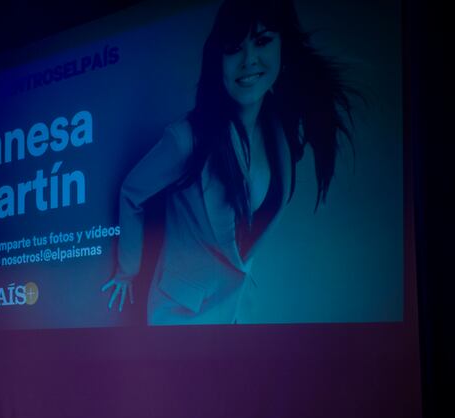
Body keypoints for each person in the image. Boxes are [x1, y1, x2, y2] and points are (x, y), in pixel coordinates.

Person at [102, 0, 355, 324]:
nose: (249, 60)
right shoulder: (186, 138)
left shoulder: (279, 132)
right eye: (234, 48)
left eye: (262, 41)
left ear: (283, 47)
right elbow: (131, 192)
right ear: (218, 60)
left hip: (237, 315)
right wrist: (127, 271)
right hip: (181, 315)